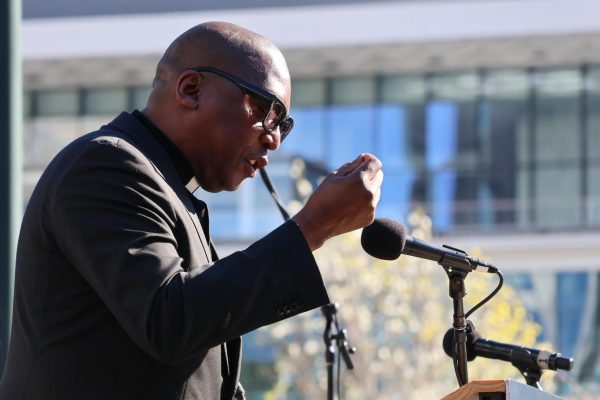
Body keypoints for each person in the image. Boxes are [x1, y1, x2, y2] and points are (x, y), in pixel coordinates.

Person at [0, 21, 383, 400]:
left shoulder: (170, 190)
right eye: (266, 110)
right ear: (191, 89)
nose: (274, 139)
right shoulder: (104, 165)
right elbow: (169, 321)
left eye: (284, 124)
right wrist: (312, 226)